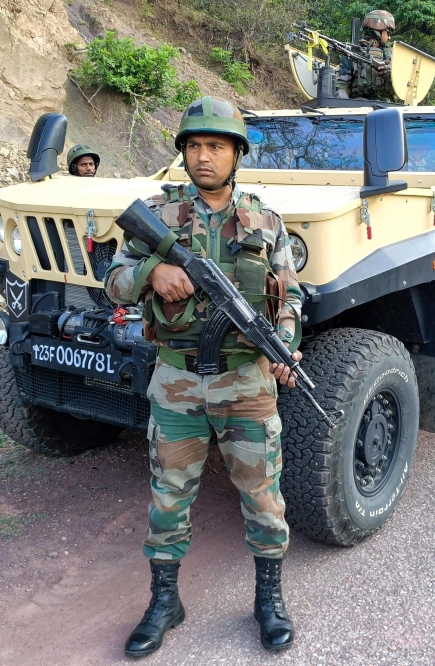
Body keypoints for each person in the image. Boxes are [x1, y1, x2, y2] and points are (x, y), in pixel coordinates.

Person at [104, 96, 303, 656]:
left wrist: (283, 347)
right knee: (169, 496)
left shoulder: (265, 220)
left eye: (216, 146)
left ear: (236, 154)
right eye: (194, 146)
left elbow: (289, 296)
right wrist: (153, 271)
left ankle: (269, 601)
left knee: (263, 496)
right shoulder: (158, 215)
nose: (204, 156)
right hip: (176, 381)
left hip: (245, 382)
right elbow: (112, 282)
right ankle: (165, 601)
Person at [336, 10, 396, 101]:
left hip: (387, 107)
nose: (389, 37)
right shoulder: (352, 53)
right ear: (378, 31)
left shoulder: (394, 55)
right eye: (388, 32)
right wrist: (344, 103)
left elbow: (406, 86)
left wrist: (393, 75)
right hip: (358, 107)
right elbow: (342, 84)